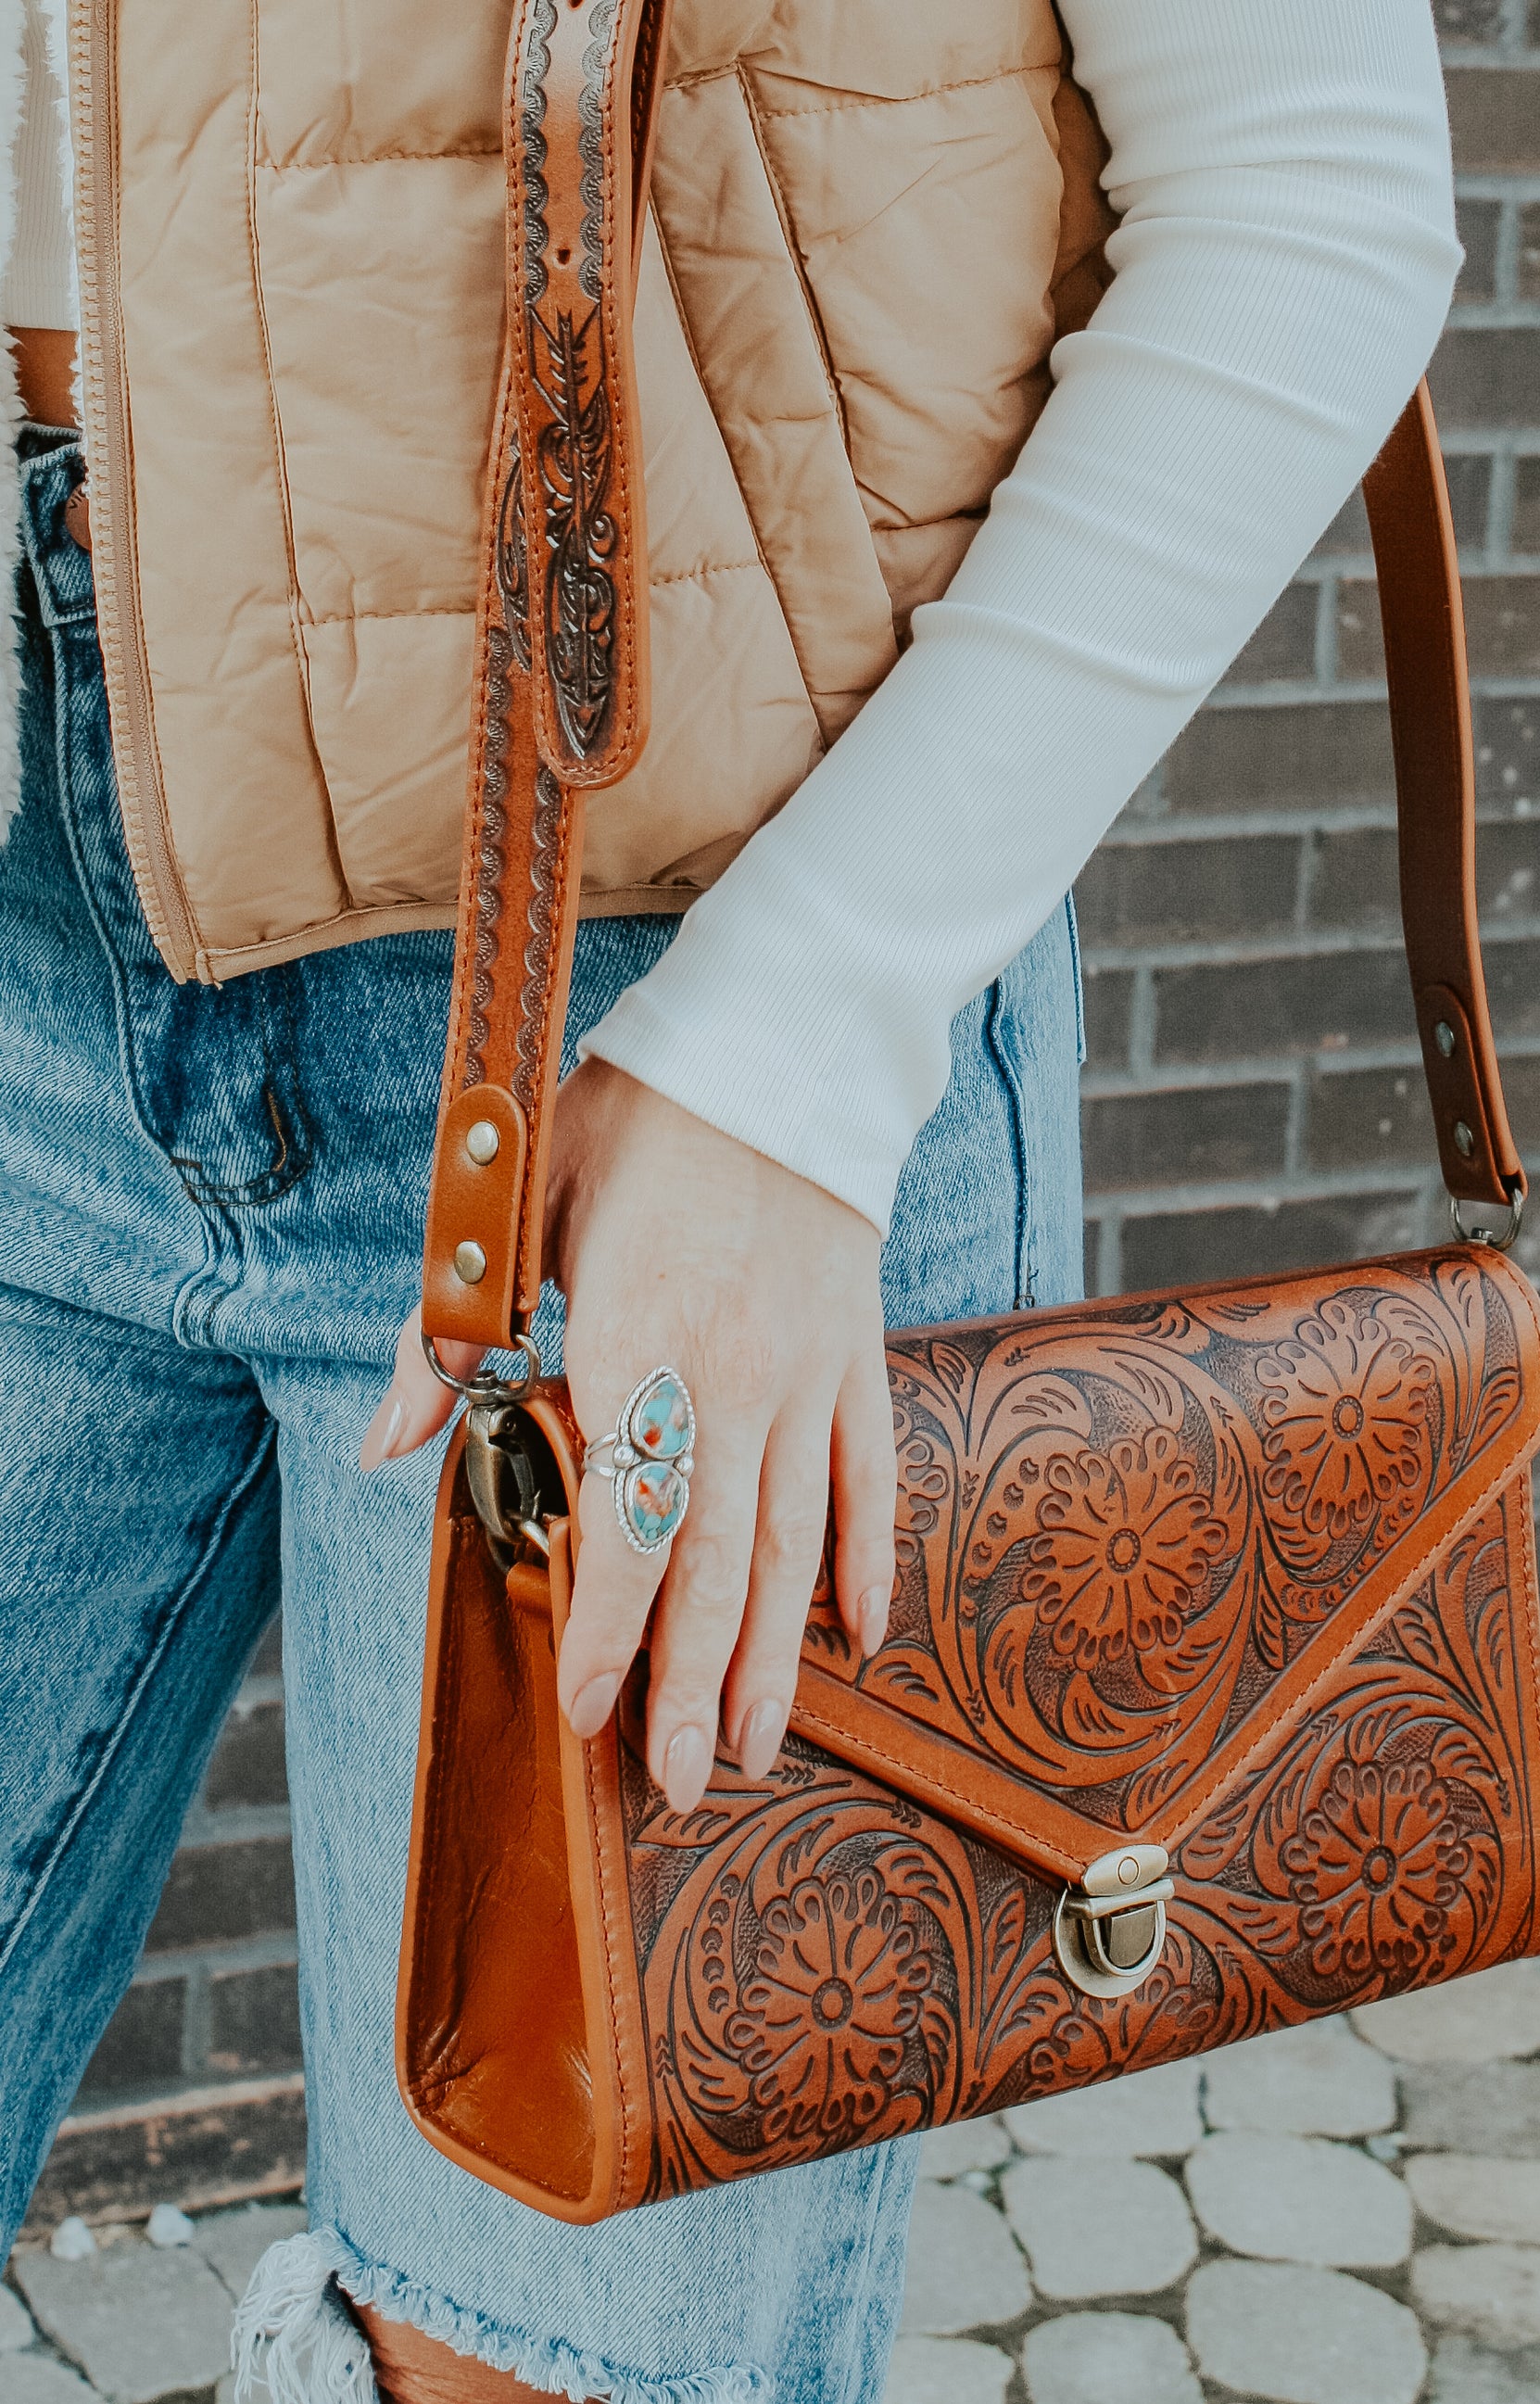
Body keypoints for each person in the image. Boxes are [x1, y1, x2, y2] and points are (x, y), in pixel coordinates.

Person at [0, 0, 1462, 2394]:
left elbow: (1308, 185)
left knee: (540, 2344)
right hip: (37, 892)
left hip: (673, 1022)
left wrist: (803, 1045)